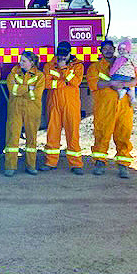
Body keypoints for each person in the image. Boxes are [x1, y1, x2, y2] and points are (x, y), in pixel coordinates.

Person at [86, 39, 137, 178]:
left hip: (124, 106)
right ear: (101, 52)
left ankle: (123, 164)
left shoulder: (125, 61)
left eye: (110, 48)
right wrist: (111, 83)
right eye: (105, 49)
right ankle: (100, 161)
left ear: (114, 49)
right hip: (104, 108)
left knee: (123, 134)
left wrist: (125, 83)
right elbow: (94, 83)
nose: (108, 51)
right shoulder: (95, 67)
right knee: (102, 134)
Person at [40, 41, 85, 175]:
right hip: (54, 104)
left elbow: (76, 82)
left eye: (65, 54)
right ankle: (50, 162)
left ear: (70, 53)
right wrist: (64, 82)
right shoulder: (49, 65)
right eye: (60, 54)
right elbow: (47, 84)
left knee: (73, 134)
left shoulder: (77, 65)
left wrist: (64, 69)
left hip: (71, 105)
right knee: (52, 133)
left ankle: (76, 164)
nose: (62, 57)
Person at [3, 51, 45, 177]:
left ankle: (30, 166)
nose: (20, 63)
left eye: (23, 61)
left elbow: (36, 94)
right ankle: (10, 166)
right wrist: (28, 88)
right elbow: (12, 90)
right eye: (20, 60)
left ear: (31, 63)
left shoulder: (40, 76)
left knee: (31, 138)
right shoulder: (14, 72)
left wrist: (20, 88)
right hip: (15, 108)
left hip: (32, 109)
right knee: (12, 136)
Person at [109, 38, 137, 106]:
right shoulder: (132, 57)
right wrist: (134, 73)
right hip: (130, 76)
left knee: (113, 82)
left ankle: (121, 91)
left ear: (128, 50)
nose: (121, 51)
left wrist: (111, 73)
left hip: (120, 75)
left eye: (123, 49)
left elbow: (116, 66)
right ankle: (133, 98)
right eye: (119, 49)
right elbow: (135, 67)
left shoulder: (121, 58)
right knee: (130, 87)